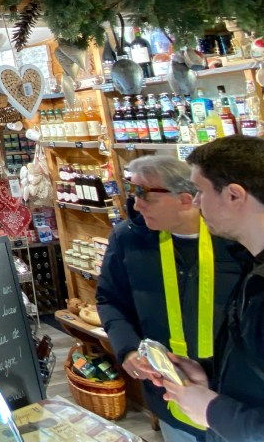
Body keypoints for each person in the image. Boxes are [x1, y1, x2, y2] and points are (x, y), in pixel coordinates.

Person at [96, 155, 242, 442]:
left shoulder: (235, 240)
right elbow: (110, 299)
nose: (136, 204)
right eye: (132, 191)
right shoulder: (128, 238)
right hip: (167, 395)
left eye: (144, 193)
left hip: (236, 400)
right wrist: (128, 350)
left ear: (185, 199)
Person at [158, 136, 264, 441]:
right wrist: (212, 375)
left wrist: (214, 411)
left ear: (234, 195)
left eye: (200, 191)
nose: (195, 202)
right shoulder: (260, 266)